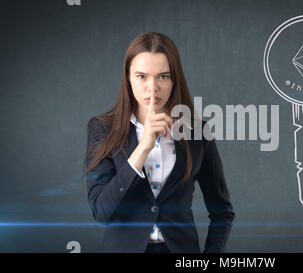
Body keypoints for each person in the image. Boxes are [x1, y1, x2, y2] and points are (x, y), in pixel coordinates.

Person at [82, 32, 235, 253]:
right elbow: (102, 212)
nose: (152, 88)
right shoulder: (102, 129)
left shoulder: (197, 132)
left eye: (163, 76)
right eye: (142, 76)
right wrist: (143, 148)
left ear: (175, 80)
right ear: (128, 78)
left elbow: (222, 211)